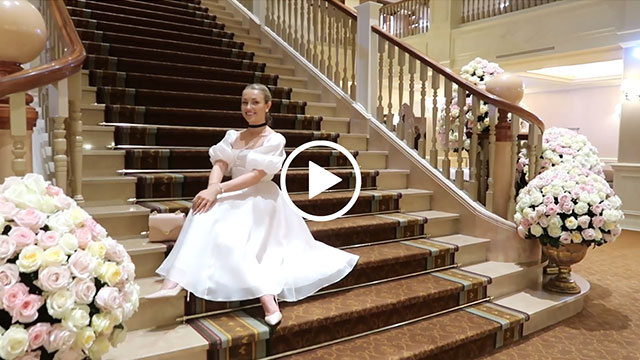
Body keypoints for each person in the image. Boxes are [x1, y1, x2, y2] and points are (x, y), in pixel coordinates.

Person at [144, 84, 359, 326]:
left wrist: (218, 189)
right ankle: (173, 282)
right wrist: (211, 188)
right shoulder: (232, 136)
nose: (248, 107)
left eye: (255, 102)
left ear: (267, 105)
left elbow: (257, 175)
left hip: (261, 198)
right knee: (202, 210)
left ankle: (267, 298)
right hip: (231, 192)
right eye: (245, 102)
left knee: (235, 234)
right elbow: (220, 164)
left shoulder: (275, 139)